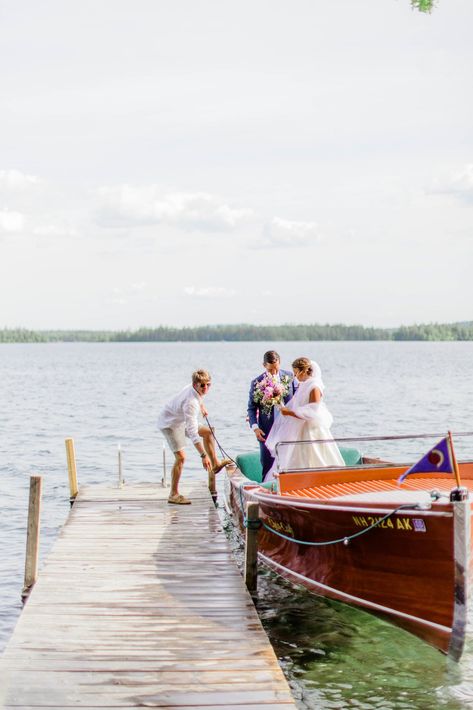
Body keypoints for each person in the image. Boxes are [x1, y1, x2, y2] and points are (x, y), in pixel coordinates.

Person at [158, 369, 231, 504]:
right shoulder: (191, 403)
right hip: (170, 424)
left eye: (208, 384)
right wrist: (203, 455)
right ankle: (173, 494)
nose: (205, 388)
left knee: (209, 432)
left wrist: (202, 406)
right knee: (181, 457)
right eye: (202, 385)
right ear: (194, 384)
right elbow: (192, 432)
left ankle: (215, 464)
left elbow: (198, 399)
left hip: (181, 420)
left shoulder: (194, 392)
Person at [265, 357, 345, 479]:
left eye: (296, 372)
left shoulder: (314, 386)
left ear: (303, 371)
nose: (295, 376)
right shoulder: (304, 385)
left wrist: (290, 413)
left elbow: (313, 410)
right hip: (300, 427)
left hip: (311, 428)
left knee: (315, 454)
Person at [247, 350, 293, 480]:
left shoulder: (290, 377)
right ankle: (266, 491)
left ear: (280, 363)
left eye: (276, 369)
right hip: (266, 430)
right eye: (271, 369)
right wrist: (255, 427)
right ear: (264, 365)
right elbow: (251, 408)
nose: (274, 372)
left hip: (288, 428)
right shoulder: (257, 382)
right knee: (267, 463)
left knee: (288, 462)